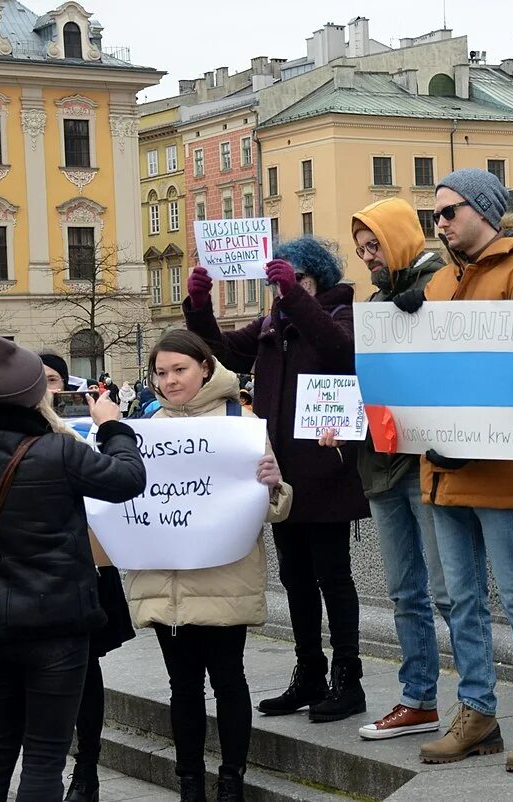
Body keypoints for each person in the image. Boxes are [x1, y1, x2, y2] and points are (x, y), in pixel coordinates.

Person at [391, 168, 513, 772]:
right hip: (440, 466)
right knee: (461, 599)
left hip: (499, 463)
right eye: (434, 214)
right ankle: (478, 710)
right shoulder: (437, 283)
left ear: (483, 210)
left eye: (449, 211)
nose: (439, 223)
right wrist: (402, 315)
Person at [0, 335, 145, 802]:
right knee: (44, 757)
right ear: (36, 393)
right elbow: (128, 479)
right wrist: (114, 428)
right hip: (56, 625)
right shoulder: (57, 452)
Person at [183, 238, 370, 723]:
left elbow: (339, 351)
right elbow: (222, 354)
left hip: (326, 473)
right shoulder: (273, 324)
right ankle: (309, 670)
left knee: (333, 576)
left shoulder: (340, 314)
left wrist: (296, 300)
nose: (283, 292)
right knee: (295, 579)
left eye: (297, 281)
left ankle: (349, 678)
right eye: (280, 284)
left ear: (318, 283)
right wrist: (200, 309)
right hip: (280, 478)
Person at [126, 330, 292, 802]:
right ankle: (190, 782)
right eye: (161, 372)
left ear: (205, 366)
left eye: (180, 369)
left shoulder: (240, 421)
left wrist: (275, 484)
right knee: (182, 686)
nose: (170, 380)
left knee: (228, 678)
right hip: (164, 579)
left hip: (224, 576)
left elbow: (274, 507)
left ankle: (231, 779)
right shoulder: (146, 424)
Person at [337, 198, 451, 740]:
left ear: (401, 236)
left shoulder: (441, 279)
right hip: (381, 463)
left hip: (427, 462)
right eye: (361, 250)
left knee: (450, 591)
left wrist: (425, 302)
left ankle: (479, 699)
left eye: (374, 245)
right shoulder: (379, 301)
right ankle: (418, 698)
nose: (368, 257)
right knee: (406, 591)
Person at [38, 353, 138, 802]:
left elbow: (122, 479)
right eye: (38, 380)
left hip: (89, 563)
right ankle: (49, 767)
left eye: (54, 380)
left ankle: (87, 768)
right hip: (35, 571)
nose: (47, 389)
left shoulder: (88, 426)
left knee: (85, 671)